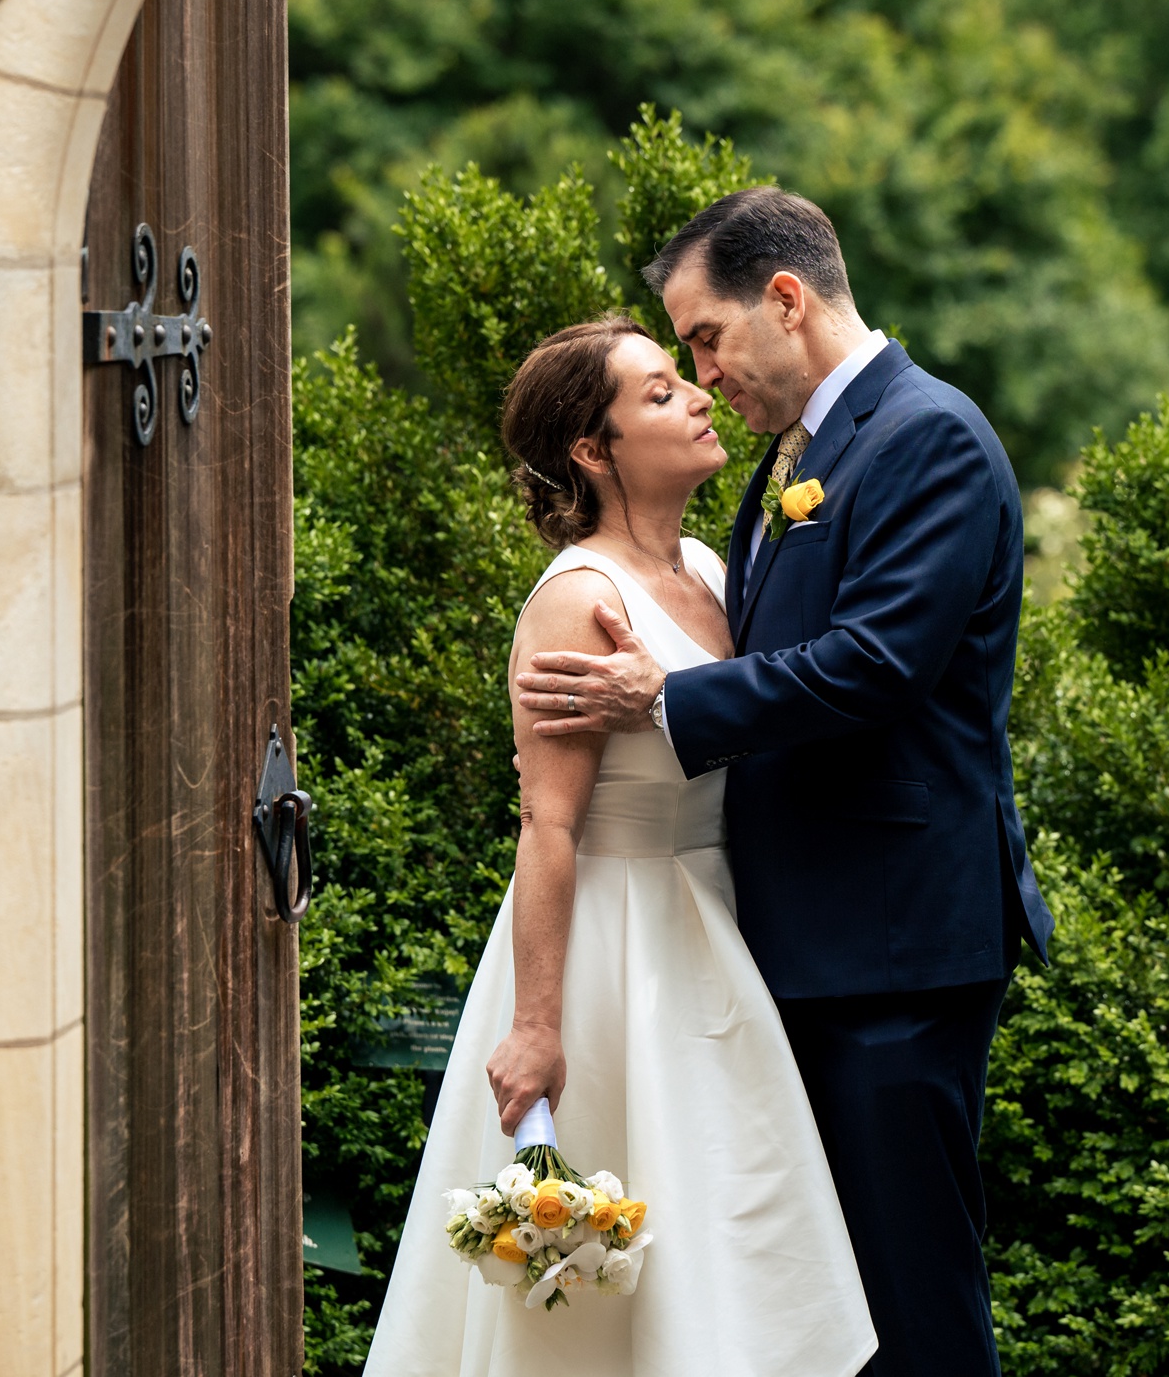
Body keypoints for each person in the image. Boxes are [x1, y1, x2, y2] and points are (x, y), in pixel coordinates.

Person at [513, 188, 1055, 1377]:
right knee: (819, 1305)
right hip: (790, 948)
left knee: (912, 1293)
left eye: (704, 336)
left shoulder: (928, 436)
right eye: (676, 361)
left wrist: (660, 701)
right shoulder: (787, 466)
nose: (703, 373)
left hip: (893, 946)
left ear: (788, 298)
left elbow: (877, 663)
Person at [364, 313, 878, 1377]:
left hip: (713, 929)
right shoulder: (578, 599)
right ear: (592, 452)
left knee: (728, 1243)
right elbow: (548, 821)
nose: (696, 395)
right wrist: (538, 1026)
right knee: (601, 1291)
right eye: (656, 392)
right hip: (614, 953)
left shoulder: (708, 562)